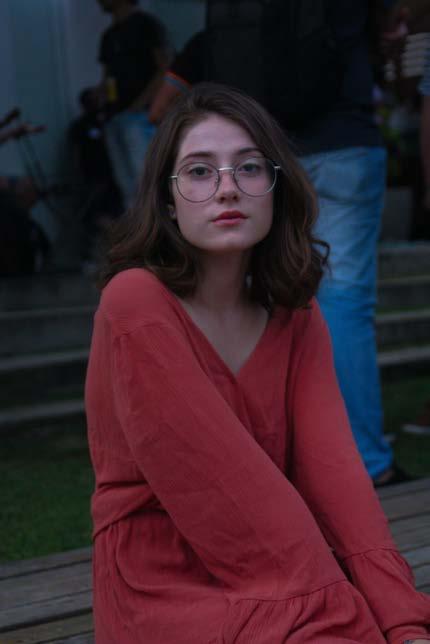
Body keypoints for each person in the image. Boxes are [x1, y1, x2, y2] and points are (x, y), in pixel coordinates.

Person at [85, 84, 430, 643]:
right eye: (200, 171)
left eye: (248, 167)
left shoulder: (295, 313)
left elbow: (337, 478)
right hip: (165, 585)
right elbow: (220, 487)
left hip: (288, 568)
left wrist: (404, 620)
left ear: (276, 187)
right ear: (168, 199)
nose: (227, 188)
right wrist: (341, 616)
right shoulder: (135, 301)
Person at [148, 1, 411, 486]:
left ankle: (265, 456)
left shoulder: (233, 21)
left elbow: (162, 106)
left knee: (253, 299)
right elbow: (395, 24)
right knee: (344, 302)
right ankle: (365, 462)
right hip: (342, 143)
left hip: (257, 152)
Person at [96, 0, 169, 206]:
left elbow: (164, 67)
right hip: (115, 116)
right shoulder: (109, 36)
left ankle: (159, 225)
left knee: (145, 182)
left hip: (140, 116)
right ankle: (140, 226)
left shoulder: (146, 25)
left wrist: (142, 103)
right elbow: (108, 76)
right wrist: (101, 97)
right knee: (127, 188)